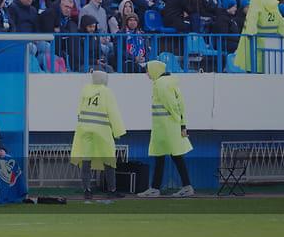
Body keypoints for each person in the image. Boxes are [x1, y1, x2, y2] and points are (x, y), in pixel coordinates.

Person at [137, 60, 194, 198]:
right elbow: (180, 104)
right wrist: (182, 124)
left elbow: (171, 104)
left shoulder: (160, 84)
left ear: (154, 70)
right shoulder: (170, 82)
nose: (146, 74)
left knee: (165, 156)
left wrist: (177, 121)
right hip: (169, 126)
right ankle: (180, 187)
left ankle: (158, 188)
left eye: (147, 70)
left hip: (164, 127)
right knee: (173, 156)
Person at [69, 70, 126, 200]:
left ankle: (87, 190)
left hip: (85, 130)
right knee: (109, 159)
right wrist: (118, 131)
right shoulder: (106, 91)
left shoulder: (85, 90)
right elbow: (113, 112)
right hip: (102, 130)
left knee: (86, 161)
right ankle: (112, 190)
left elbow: (79, 110)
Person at [233, 0, 284, 72]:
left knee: (252, 64)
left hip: (255, 39)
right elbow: (280, 20)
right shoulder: (274, 2)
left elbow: (252, 16)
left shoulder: (256, 0)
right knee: (267, 67)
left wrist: (250, 32)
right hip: (270, 40)